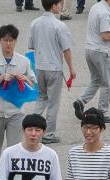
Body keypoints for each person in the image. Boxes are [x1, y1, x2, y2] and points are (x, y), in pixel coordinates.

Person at [0, 25, 37, 180]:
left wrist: (23, 79)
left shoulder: (23, 61)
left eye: (11, 40)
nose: (8, 44)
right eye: (5, 40)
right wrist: (0, 79)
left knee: (14, 146)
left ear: (15, 41)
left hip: (16, 112)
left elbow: (33, 84)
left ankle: (13, 174)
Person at [72, 0, 110, 124]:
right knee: (107, 83)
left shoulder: (96, 7)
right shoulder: (105, 13)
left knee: (96, 79)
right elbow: (105, 36)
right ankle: (103, 112)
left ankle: (81, 101)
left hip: (90, 49)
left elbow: (103, 27)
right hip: (100, 51)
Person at [27, 0, 74, 143]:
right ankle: (49, 134)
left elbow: (32, 45)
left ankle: (31, 125)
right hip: (54, 68)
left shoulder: (34, 23)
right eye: (60, 4)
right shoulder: (59, 25)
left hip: (40, 67)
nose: (61, 6)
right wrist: (71, 68)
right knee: (53, 102)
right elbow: (66, 49)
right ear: (54, 6)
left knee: (41, 98)